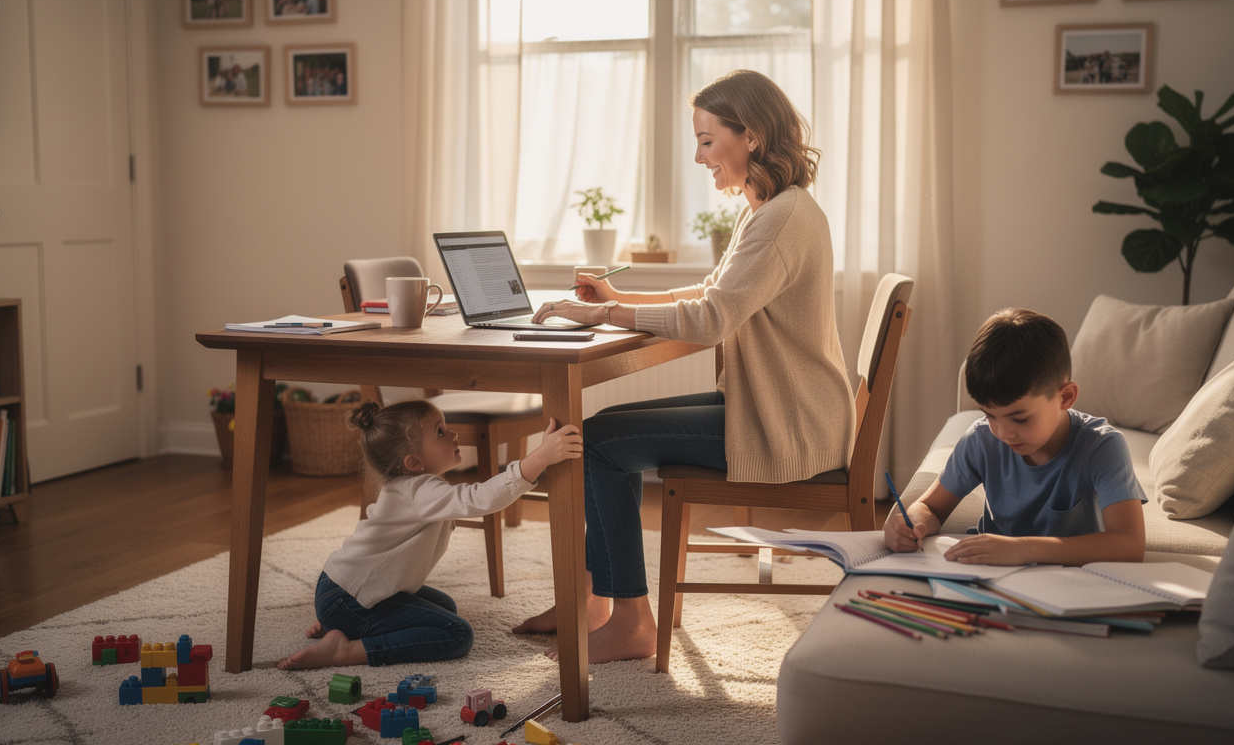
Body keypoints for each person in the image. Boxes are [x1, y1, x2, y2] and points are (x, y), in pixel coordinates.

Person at [514, 69, 856, 664]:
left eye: (705, 140)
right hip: (783, 408)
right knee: (600, 434)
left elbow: (710, 319)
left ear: (749, 136)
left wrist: (610, 313)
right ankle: (598, 604)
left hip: (785, 422)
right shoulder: (775, 207)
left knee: (594, 443)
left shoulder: (781, 218)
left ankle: (626, 621)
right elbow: (713, 293)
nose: (699, 157)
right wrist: (613, 301)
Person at [278, 400, 583, 669]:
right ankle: (348, 649)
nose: (453, 435)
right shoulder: (420, 490)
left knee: (445, 608)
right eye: (440, 431)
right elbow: (482, 499)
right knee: (457, 634)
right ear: (414, 462)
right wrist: (540, 457)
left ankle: (346, 623)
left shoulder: (410, 486)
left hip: (341, 590)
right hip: (347, 598)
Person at [883, 308, 1146, 566]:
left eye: (1020, 419)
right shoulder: (981, 440)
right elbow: (931, 508)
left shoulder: (1101, 447)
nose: (1003, 432)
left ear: (1065, 397)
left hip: (1067, 586)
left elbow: (1130, 544)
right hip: (989, 579)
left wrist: (1023, 549)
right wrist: (909, 523)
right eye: (989, 415)